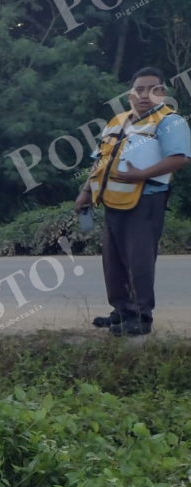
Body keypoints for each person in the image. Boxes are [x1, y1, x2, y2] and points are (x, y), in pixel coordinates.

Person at [78, 66, 190, 336]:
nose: (144, 95)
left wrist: (141, 175)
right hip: (112, 201)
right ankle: (121, 311)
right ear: (130, 93)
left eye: (153, 89)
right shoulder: (117, 121)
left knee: (138, 260)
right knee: (113, 260)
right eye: (139, 89)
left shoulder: (170, 121)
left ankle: (141, 317)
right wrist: (85, 192)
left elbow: (180, 158)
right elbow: (100, 162)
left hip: (146, 202)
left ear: (162, 93)